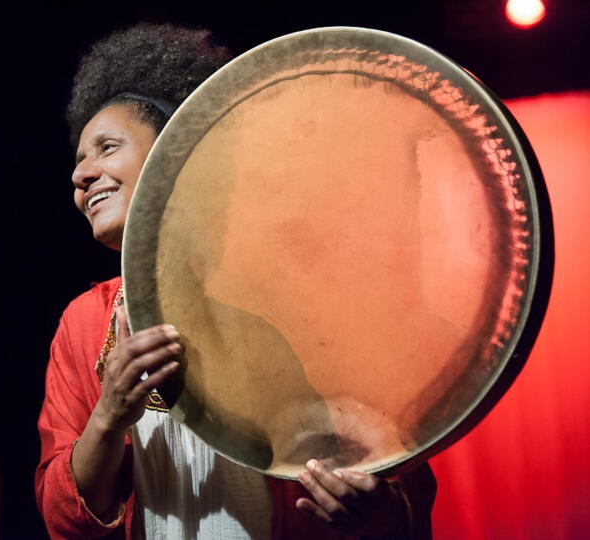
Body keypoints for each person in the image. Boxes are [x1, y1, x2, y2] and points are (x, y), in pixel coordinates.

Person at [36, 23, 436, 539]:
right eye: (79, 161)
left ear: (174, 154)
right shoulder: (84, 323)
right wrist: (109, 414)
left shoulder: (279, 296)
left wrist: (374, 512)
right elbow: (61, 517)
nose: (81, 174)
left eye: (106, 148)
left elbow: (392, 471)